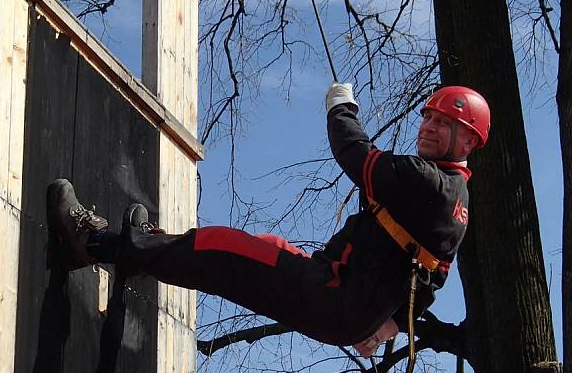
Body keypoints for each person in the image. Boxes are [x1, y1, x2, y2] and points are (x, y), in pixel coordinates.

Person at [46, 84, 490, 355]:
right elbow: (430, 283)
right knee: (261, 248)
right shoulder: (460, 207)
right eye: (428, 117)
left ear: (468, 140)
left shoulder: (427, 180)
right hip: (339, 303)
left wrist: (341, 108)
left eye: (443, 123)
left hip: (331, 296)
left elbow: (355, 155)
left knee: (221, 250)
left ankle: (92, 243)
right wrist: (383, 328)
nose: (428, 127)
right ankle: (146, 249)